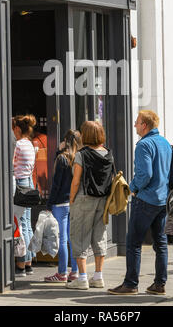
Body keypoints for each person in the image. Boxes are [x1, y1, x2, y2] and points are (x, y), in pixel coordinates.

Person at [108, 110, 172, 296]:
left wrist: (132, 187)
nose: (135, 125)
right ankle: (159, 284)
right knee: (160, 243)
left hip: (145, 199)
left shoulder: (144, 145)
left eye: (137, 122)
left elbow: (145, 175)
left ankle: (130, 284)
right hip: (162, 199)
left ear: (144, 125)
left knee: (133, 243)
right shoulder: (164, 143)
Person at [67, 121, 115, 290]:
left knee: (79, 237)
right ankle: (98, 277)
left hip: (84, 199)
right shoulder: (108, 154)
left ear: (86, 135)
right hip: (102, 201)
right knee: (99, 236)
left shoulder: (82, 154)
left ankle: (82, 278)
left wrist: (72, 199)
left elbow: (76, 181)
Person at [44, 130, 82, 283]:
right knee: (72, 239)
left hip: (60, 204)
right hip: (73, 203)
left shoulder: (62, 159)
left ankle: (61, 273)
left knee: (62, 239)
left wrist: (49, 204)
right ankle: (75, 271)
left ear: (65, 141)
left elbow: (56, 185)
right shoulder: (79, 158)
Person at [12, 114, 37, 277]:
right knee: (27, 223)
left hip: (20, 183)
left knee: (20, 224)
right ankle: (28, 263)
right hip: (29, 182)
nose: (12, 131)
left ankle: (21, 264)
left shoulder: (18, 144)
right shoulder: (29, 144)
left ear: (18, 129)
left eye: (14, 128)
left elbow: (12, 164)